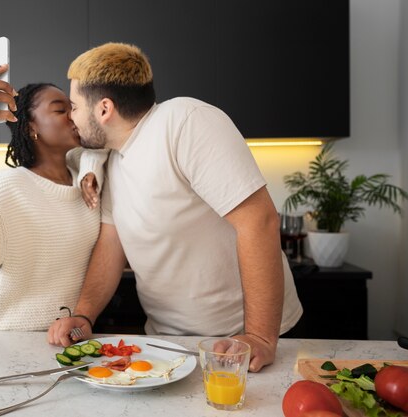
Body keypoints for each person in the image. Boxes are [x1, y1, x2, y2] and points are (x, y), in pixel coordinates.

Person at [47, 43, 303, 372]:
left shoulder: (184, 122)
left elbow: (259, 220)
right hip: (166, 345)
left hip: (245, 344)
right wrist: (83, 314)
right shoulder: (114, 157)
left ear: (105, 109)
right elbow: (111, 243)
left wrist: (259, 336)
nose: (71, 117)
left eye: (74, 106)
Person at [0, 65, 107, 331]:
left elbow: (104, 147)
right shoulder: (11, 187)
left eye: (73, 108)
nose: (73, 116)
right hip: (7, 337)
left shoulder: (85, 180)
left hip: (66, 338)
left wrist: (91, 167)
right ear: (30, 128)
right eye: (61, 110)